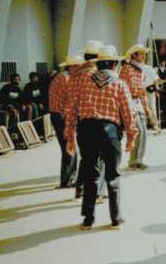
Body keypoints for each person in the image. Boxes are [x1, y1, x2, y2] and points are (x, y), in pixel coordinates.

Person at [64, 45, 138, 229]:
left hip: (86, 130)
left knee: (90, 174)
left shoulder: (83, 81)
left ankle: (88, 218)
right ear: (114, 64)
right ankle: (116, 218)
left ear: (99, 64)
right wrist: (132, 136)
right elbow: (128, 113)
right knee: (112, 175)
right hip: (109, 131)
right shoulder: (120, 83)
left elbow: (71, 109)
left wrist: (70, 136)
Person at [65, 40, 108, 202]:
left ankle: (80, 189)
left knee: (87, 158)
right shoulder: (98, 76)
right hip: (98, 120)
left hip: (81, 122)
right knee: (101, 158)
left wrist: (70, 130)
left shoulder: (74, 76)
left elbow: (71, 105)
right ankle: (97, 192)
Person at [49, 55, 84, 188]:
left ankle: (69, 178)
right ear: (71, 67)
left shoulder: (64, 77)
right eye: (77, 66)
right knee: (70, 147)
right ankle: (67, 180)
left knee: (70, 148)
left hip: (60, 115)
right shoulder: (65, 78)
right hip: (62, 116)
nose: (80, 68)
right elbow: (68, 101)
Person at [119, 44, 155, 170]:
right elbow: (123, 88)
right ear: (134, 55)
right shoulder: (127, 69)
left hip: (137, 101)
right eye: (141, 54)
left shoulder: (140, 70)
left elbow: (142, 90)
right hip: (129, 101)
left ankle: (138, 159)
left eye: (144, 54)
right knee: (138, 130)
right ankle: (134, 161)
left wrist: (147, 108)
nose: (144, 56)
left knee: (143, 130)